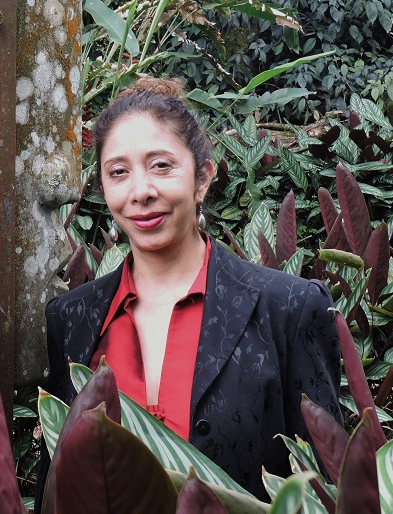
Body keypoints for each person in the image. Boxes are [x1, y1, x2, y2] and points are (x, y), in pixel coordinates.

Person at [38, 77, 341, 503]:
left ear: (202, 178)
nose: (141, 192)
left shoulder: (288, 308)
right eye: (119, 172)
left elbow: (330, 485)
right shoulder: (72, 319)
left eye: (161, 165)